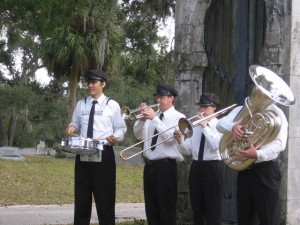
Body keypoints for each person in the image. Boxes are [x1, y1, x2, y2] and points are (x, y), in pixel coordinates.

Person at [65, 69, 127, 225]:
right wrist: (71, 127)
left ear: (103, 84)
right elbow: (75, 123)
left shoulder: (112, 105)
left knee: (105, 200)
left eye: (94, 82)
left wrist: (116, 137)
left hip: (103, 154)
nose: (90, 85)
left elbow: (121, 128)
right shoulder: (81, 104)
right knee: (81, 199)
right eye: (88, 83)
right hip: (83, 154)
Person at [216, 98, 288, 225]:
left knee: (269, 219)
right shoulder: (243, 109)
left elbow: (280, 144)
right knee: (245, 219)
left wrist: (257, 154)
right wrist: (233, 127)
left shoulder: (277, 114)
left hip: (266, 171)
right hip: (245, 171)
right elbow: (219, 124)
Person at [133, 84, 185, 225]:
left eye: (162, 97)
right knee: (151, 209)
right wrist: (141, 120)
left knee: (166, 210)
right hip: (149, 167)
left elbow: (170, 139)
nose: (158, 100)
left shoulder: (179, 117)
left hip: (166, 168)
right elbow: (139, 136)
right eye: (157, 97)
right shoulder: (151, 117)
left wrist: (155, 119)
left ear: (171, 98)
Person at [174, 93, 223, 225]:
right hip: (196, 167)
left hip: (212, 167)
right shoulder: (195, 127)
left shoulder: (220, 125)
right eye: (200, 106)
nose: (201, 110)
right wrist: (179, 141)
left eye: (205, 107)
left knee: (213, 208)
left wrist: (205, 127)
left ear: (214, 108)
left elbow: (215, 146)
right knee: (197, 207)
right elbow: (188, 150)